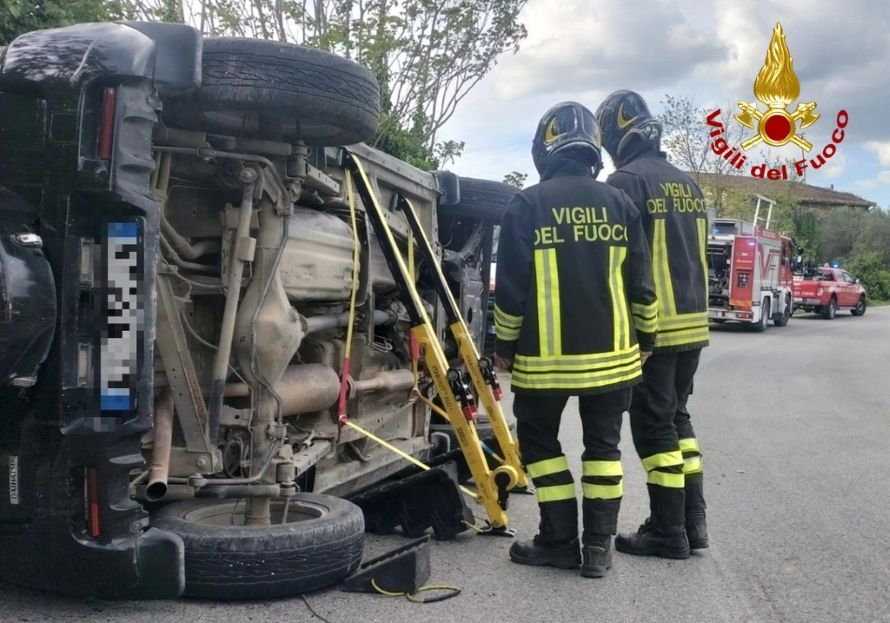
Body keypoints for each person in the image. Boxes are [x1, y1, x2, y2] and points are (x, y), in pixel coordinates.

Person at [493, 101, 658, 578]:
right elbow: (641, 285)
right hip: (613, 362)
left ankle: (558, 541)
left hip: (542, 364)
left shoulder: (526, 204)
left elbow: (511, 292)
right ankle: (600, 551)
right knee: (604, 450)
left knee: (541, 446)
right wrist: (645, 338)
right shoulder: (620, 203)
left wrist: (504, 347)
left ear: (545, 149)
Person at [595, 90, 710, 559]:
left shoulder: (626, 182)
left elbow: (619, 263)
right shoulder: (688, 183)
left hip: (655, 330)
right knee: (677, 419)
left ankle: (666, 530)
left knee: (653, 427)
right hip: (693, 324)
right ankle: (692, 523)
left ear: (615, 138)